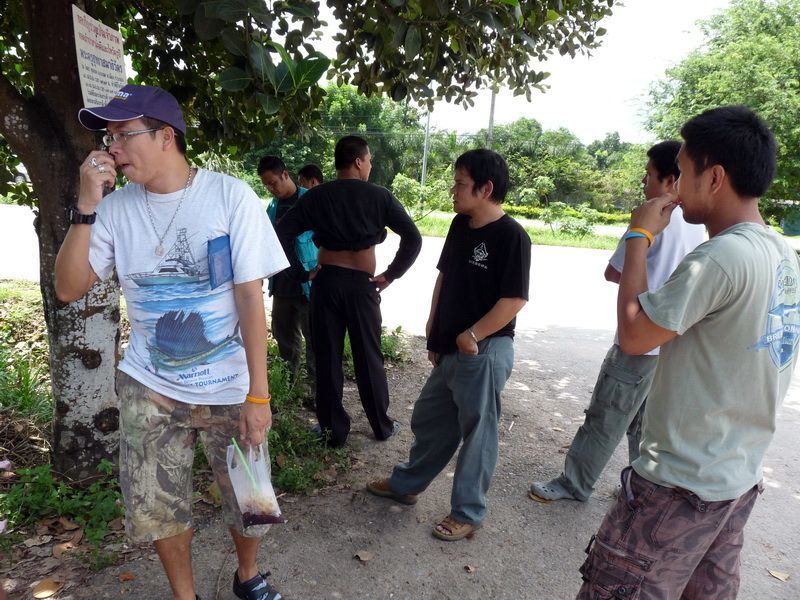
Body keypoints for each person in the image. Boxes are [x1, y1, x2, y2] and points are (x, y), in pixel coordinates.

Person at [54, 84, 288, 600]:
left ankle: (247, 575)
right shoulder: (115, 211)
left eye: (122, 134)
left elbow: (251, 300)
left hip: (228, 384)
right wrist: (86, 205)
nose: (110, 148)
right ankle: (186, 597)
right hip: (149, 386)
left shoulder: (229, 196)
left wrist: (259, 394)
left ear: (166, 136)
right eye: (107, 136)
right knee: (158, 505)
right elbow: (69, 288)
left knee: (248, 496)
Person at [577, 105, 800, 598]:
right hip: (734, 480)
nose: (672, 188)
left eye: (682, 173)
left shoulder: (720, 257)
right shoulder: (783, 253)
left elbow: (635, 336)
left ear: (715, 177)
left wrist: (638, 236)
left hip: (677, 488)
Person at [367, 149, 531, 542]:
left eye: (460, 183)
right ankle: (408, 484)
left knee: (478, 433)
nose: (453, 190)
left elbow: (514, 300)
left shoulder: (513, 236)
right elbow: (445, 276)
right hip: (454, 345)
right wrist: (434, 327)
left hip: (484, 350)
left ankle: (468, 512)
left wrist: (472, 336)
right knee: (430, 417)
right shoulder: (461, 225)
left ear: (485, 188)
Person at [530, 141, 705, 502]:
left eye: (649, 175)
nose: (643, 182)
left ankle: (575, 483)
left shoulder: (653, 218)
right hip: (670, 340)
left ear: (670, 179)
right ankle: (637, 489)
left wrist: (636, 231)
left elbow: (614, 271)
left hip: (638, 335)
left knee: (607, 413)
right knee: (644, 422)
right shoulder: (695, 223)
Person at [276, 136, 422, 447]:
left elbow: (282, 232)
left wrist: (302, 272)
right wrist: (390, 275)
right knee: (368, 356)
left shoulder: (317, 196)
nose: (370, 166)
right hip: (361, 286)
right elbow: (413, 237)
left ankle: (333, 431)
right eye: (368, 160)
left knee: (327, 356)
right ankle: (381, 426)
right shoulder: (379, 196)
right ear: (358, 161)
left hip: (326, 282)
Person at [258, 156, 317, 399]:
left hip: (308, 285)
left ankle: (317, 394)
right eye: (267, 186)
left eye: (273, 182)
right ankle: (288, 391)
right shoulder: (272, 207)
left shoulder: (312, 199)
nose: (271, 188)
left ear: (285, 174)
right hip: (281, 285)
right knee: (285, 340)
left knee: (315, 341)